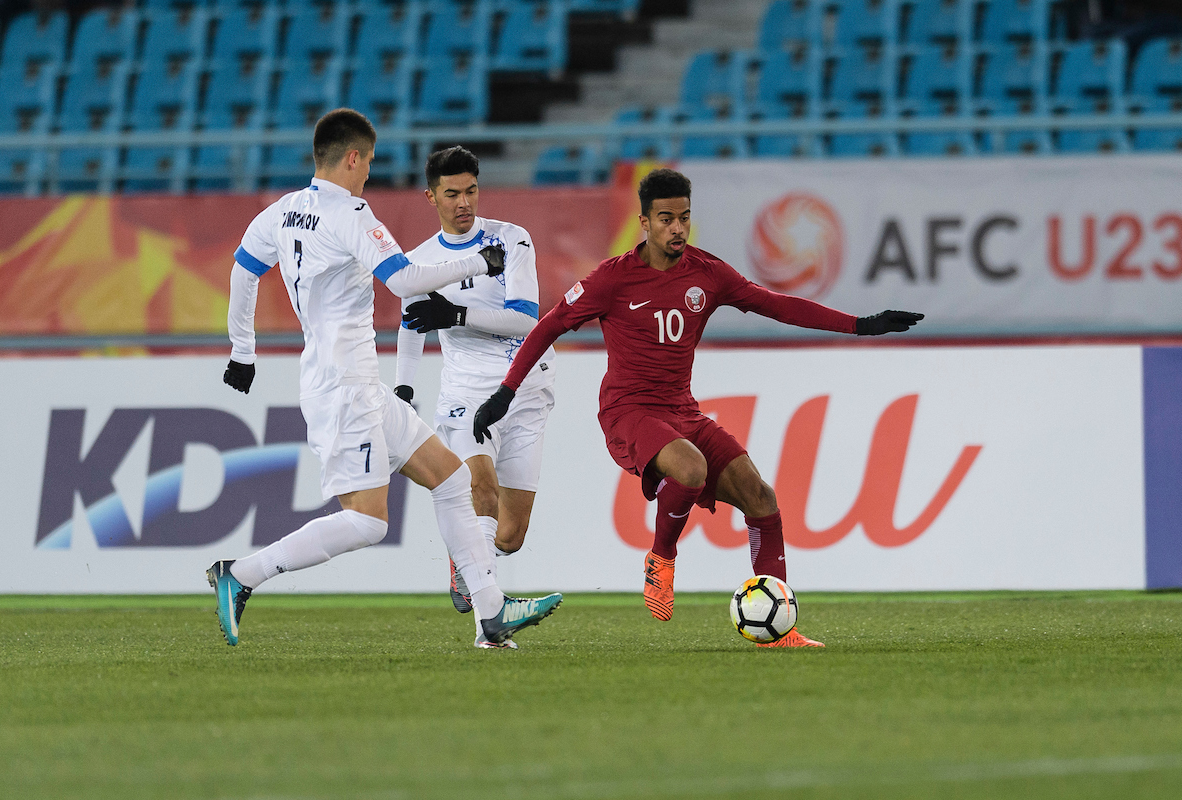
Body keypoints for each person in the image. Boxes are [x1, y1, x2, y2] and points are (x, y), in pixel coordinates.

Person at [472, 168, 923, 649]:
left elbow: (775, 304)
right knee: (689, 467)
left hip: (681, 411)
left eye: (684, 217)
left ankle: (778, 632)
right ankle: (661, 558)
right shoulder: (612, 279)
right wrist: (506, 391)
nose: (678, 228)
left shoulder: (708, 274)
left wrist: (860, 325)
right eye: (666, 219)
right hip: (628, 412)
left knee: (762, 500)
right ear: (644, 222)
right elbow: (549, 326)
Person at [208, 108, 562, 650]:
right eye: (368, 162)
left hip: (358, 383)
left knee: (451, 479)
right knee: (369, 523)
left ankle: (490, 614)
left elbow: (243, 271)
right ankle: (244, 573)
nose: (368, 173)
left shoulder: (280, 212)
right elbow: (405, 282)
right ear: (353, 158)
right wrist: (478, 263)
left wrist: (242, 351)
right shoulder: (352, 213)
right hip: (343, 387)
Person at [393, 147, 556, 634]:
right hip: (465, 392)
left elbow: (526, 317)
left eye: (471, 191)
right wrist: (403, 389)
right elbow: (410, 323)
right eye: (451, 194)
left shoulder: (512, 240)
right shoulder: (419, 261)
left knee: (510, 535)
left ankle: (464, 555)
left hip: (525, 390)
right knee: (478, 486)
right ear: (431, 197)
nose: (463, 202)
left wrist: (457, 314)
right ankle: (493, 620)